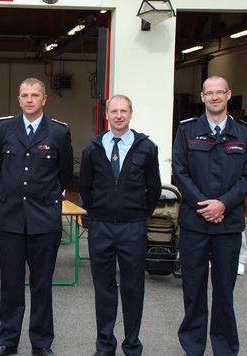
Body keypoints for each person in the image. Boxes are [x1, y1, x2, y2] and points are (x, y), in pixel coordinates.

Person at [0, 78, 73, 356]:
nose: (29, 100)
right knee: (10, 283)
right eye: (24, 95)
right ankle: (8, 341)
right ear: (19, 98)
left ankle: (41, 342)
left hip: (44, 220)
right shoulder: (3, 127)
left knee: (42, 284)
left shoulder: (59, 132)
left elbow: (64, 174)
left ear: (44, 99)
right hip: (9, 218)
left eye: (35, 95)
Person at [173, 75, 247, 356]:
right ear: (202, 96)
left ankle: (224, 348)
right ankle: (193, 348)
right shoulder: (186, 131)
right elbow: (180, 172)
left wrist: (222, 204)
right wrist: (204, 205)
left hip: (229, 226)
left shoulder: (244, 133)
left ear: (229, 94)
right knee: (193, 292)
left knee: (224, 293)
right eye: (210, 93)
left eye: (220, 92)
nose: (215, 97)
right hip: (195, 224)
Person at [78, 94, 161, 356]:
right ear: (107, 114)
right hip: (101, 227)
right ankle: (105, 345)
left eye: (123, 111)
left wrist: (137, 214)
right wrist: (98, 212)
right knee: (103, 288)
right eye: (114, 111)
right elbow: (85, 187)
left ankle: (132, 345)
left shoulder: (146, 147)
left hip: (132, 227)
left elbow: (154, 189)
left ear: (131, 113)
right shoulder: (93, 147)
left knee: (133, 288)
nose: (118, 115)